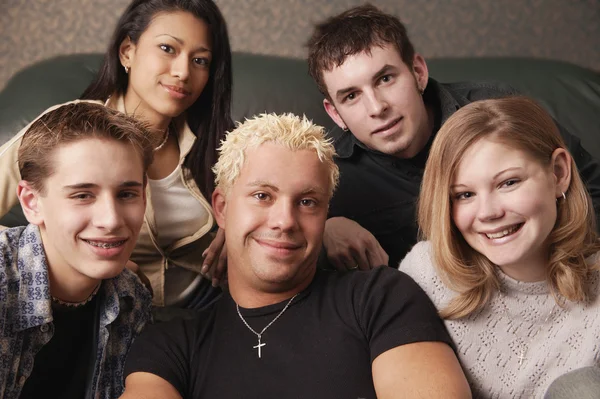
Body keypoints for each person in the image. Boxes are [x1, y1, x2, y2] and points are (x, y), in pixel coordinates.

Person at [119, 113, 471, 399]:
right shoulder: (171, 343)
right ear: (222, 209)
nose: (285, 221)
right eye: (262, 196)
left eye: (307, 202)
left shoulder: (380, 297)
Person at [306, 4, 600, 271]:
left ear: (418, 72)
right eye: (352, 96)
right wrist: (325, 229)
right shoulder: (327, 175)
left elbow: (591, 189)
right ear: (335, 113)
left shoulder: (497, 111)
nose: (377, 107)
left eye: (386, 79)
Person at [0, 0, 233, 310]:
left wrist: (240, 228)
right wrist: (78, 261)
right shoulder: (68, 128)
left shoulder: (219, 138)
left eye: (200, 61)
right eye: (168, 49)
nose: (182, 72)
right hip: (107, 312)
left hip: (205, 307)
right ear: (127, 51)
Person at [400, 97, 600, 398]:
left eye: (508, 183)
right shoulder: (425, 274)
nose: (488, 213)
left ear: (558, 173)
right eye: (465, 195)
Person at [0, 102, 153, 399]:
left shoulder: (132, 299)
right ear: (31, 202)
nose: (111, 220)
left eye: (126, 194)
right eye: (83, 195)